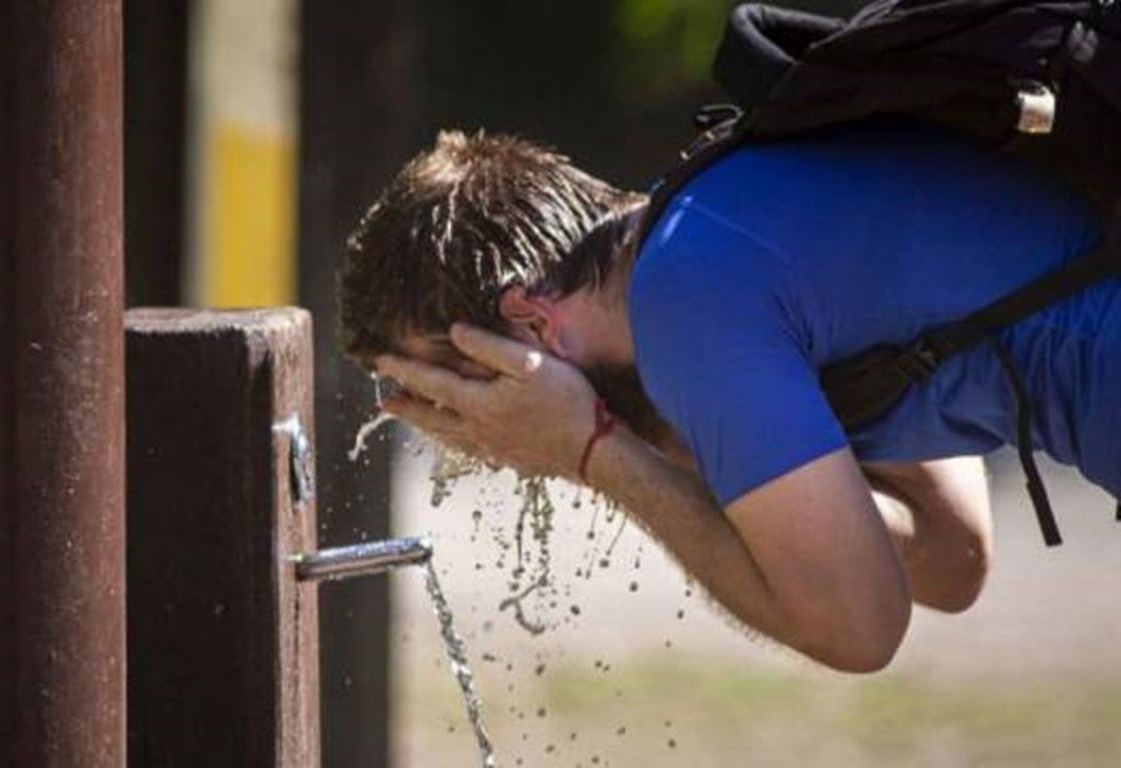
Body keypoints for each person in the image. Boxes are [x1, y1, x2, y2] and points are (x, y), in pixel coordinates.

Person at [340, 124, 1119, 673]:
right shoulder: (726, 222)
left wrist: (594, 452)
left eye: (454, 388)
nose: (472, 433)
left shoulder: (686, 300)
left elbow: (859, 628)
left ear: (527, 321)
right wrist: (668, 449)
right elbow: (953, 560)